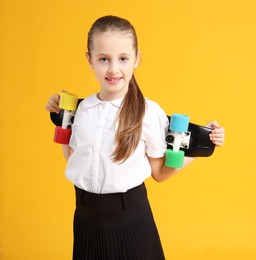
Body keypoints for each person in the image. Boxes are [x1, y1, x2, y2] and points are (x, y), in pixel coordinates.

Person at [45, 15, 225, 260]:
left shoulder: (148, 113)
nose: (113, 69)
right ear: (89, 60)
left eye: (123, 59)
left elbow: (160, 173)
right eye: (103, 59)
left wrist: (203, 144)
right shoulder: (82, 110)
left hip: (131, 220)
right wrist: (60, 115)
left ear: (136, 59)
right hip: (86, 219)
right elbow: (75, 161)